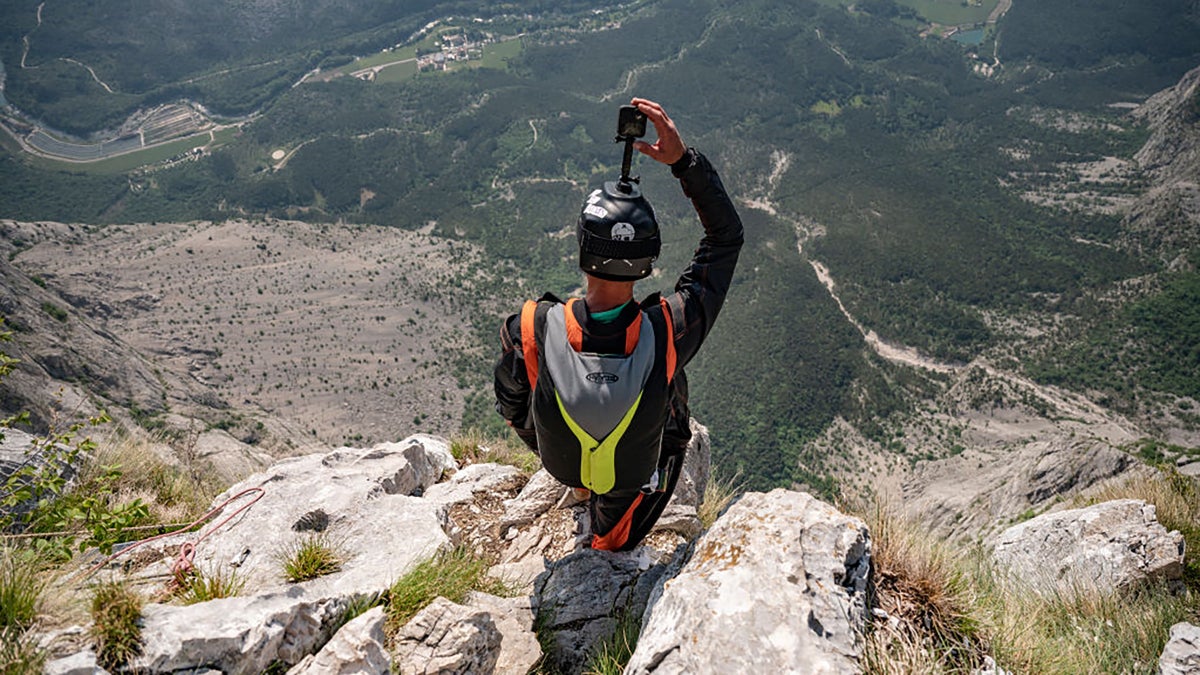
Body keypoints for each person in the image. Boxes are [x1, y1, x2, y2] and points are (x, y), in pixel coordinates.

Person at [494, 98, 743, 551]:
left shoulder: (531, 328)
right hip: (631, 474)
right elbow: (726, 237)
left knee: (528, 371)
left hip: (561, 463)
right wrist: (685, 163)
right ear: (648, 261)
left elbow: (511, 405)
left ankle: (585, 486)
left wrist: (554, 437)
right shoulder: (669, 330)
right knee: (671, 378)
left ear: (582, 249)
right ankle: (612, 534)